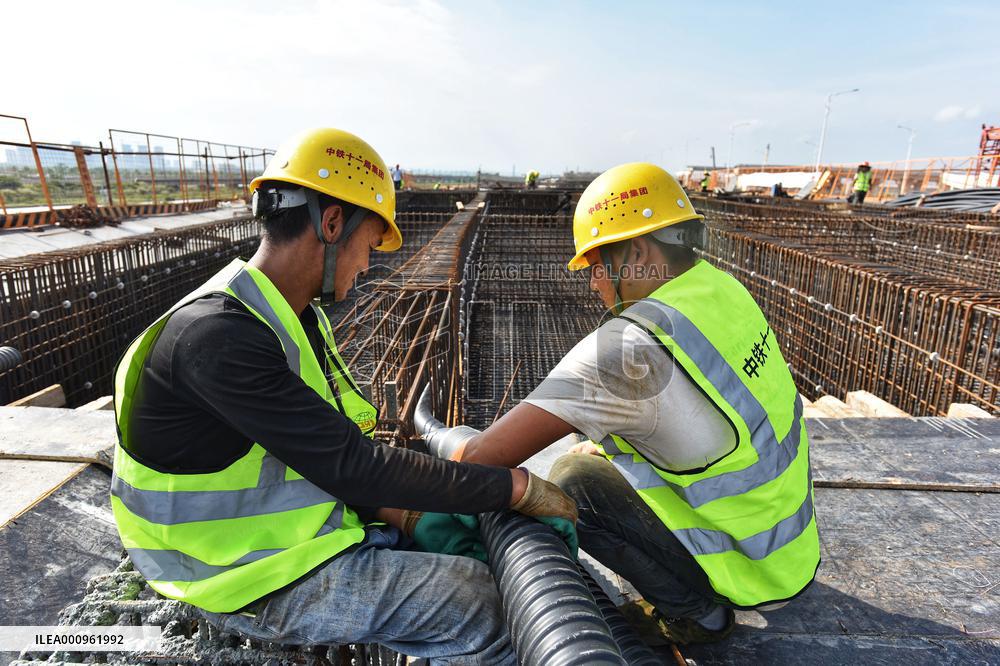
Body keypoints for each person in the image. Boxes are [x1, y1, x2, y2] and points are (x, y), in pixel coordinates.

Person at [108, 128, 577, 664]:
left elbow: (326, 449)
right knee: (484, 605)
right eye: (369, 246)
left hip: (285, 545)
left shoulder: (289, 318)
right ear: (332, 223)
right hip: (236, 577)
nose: (367, 266)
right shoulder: (217, 338)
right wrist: (512, 488)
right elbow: (354, 464)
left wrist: (407, 516)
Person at [425, 163, 819, 646]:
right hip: (789, 548)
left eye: (595, 265)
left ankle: (698, 615)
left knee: (572, 480)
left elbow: (482, 458)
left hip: (745, 568)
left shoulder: (626, 348)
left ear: (636, 251)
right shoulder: (721, 289)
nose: (592, 283)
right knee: (594, 454)